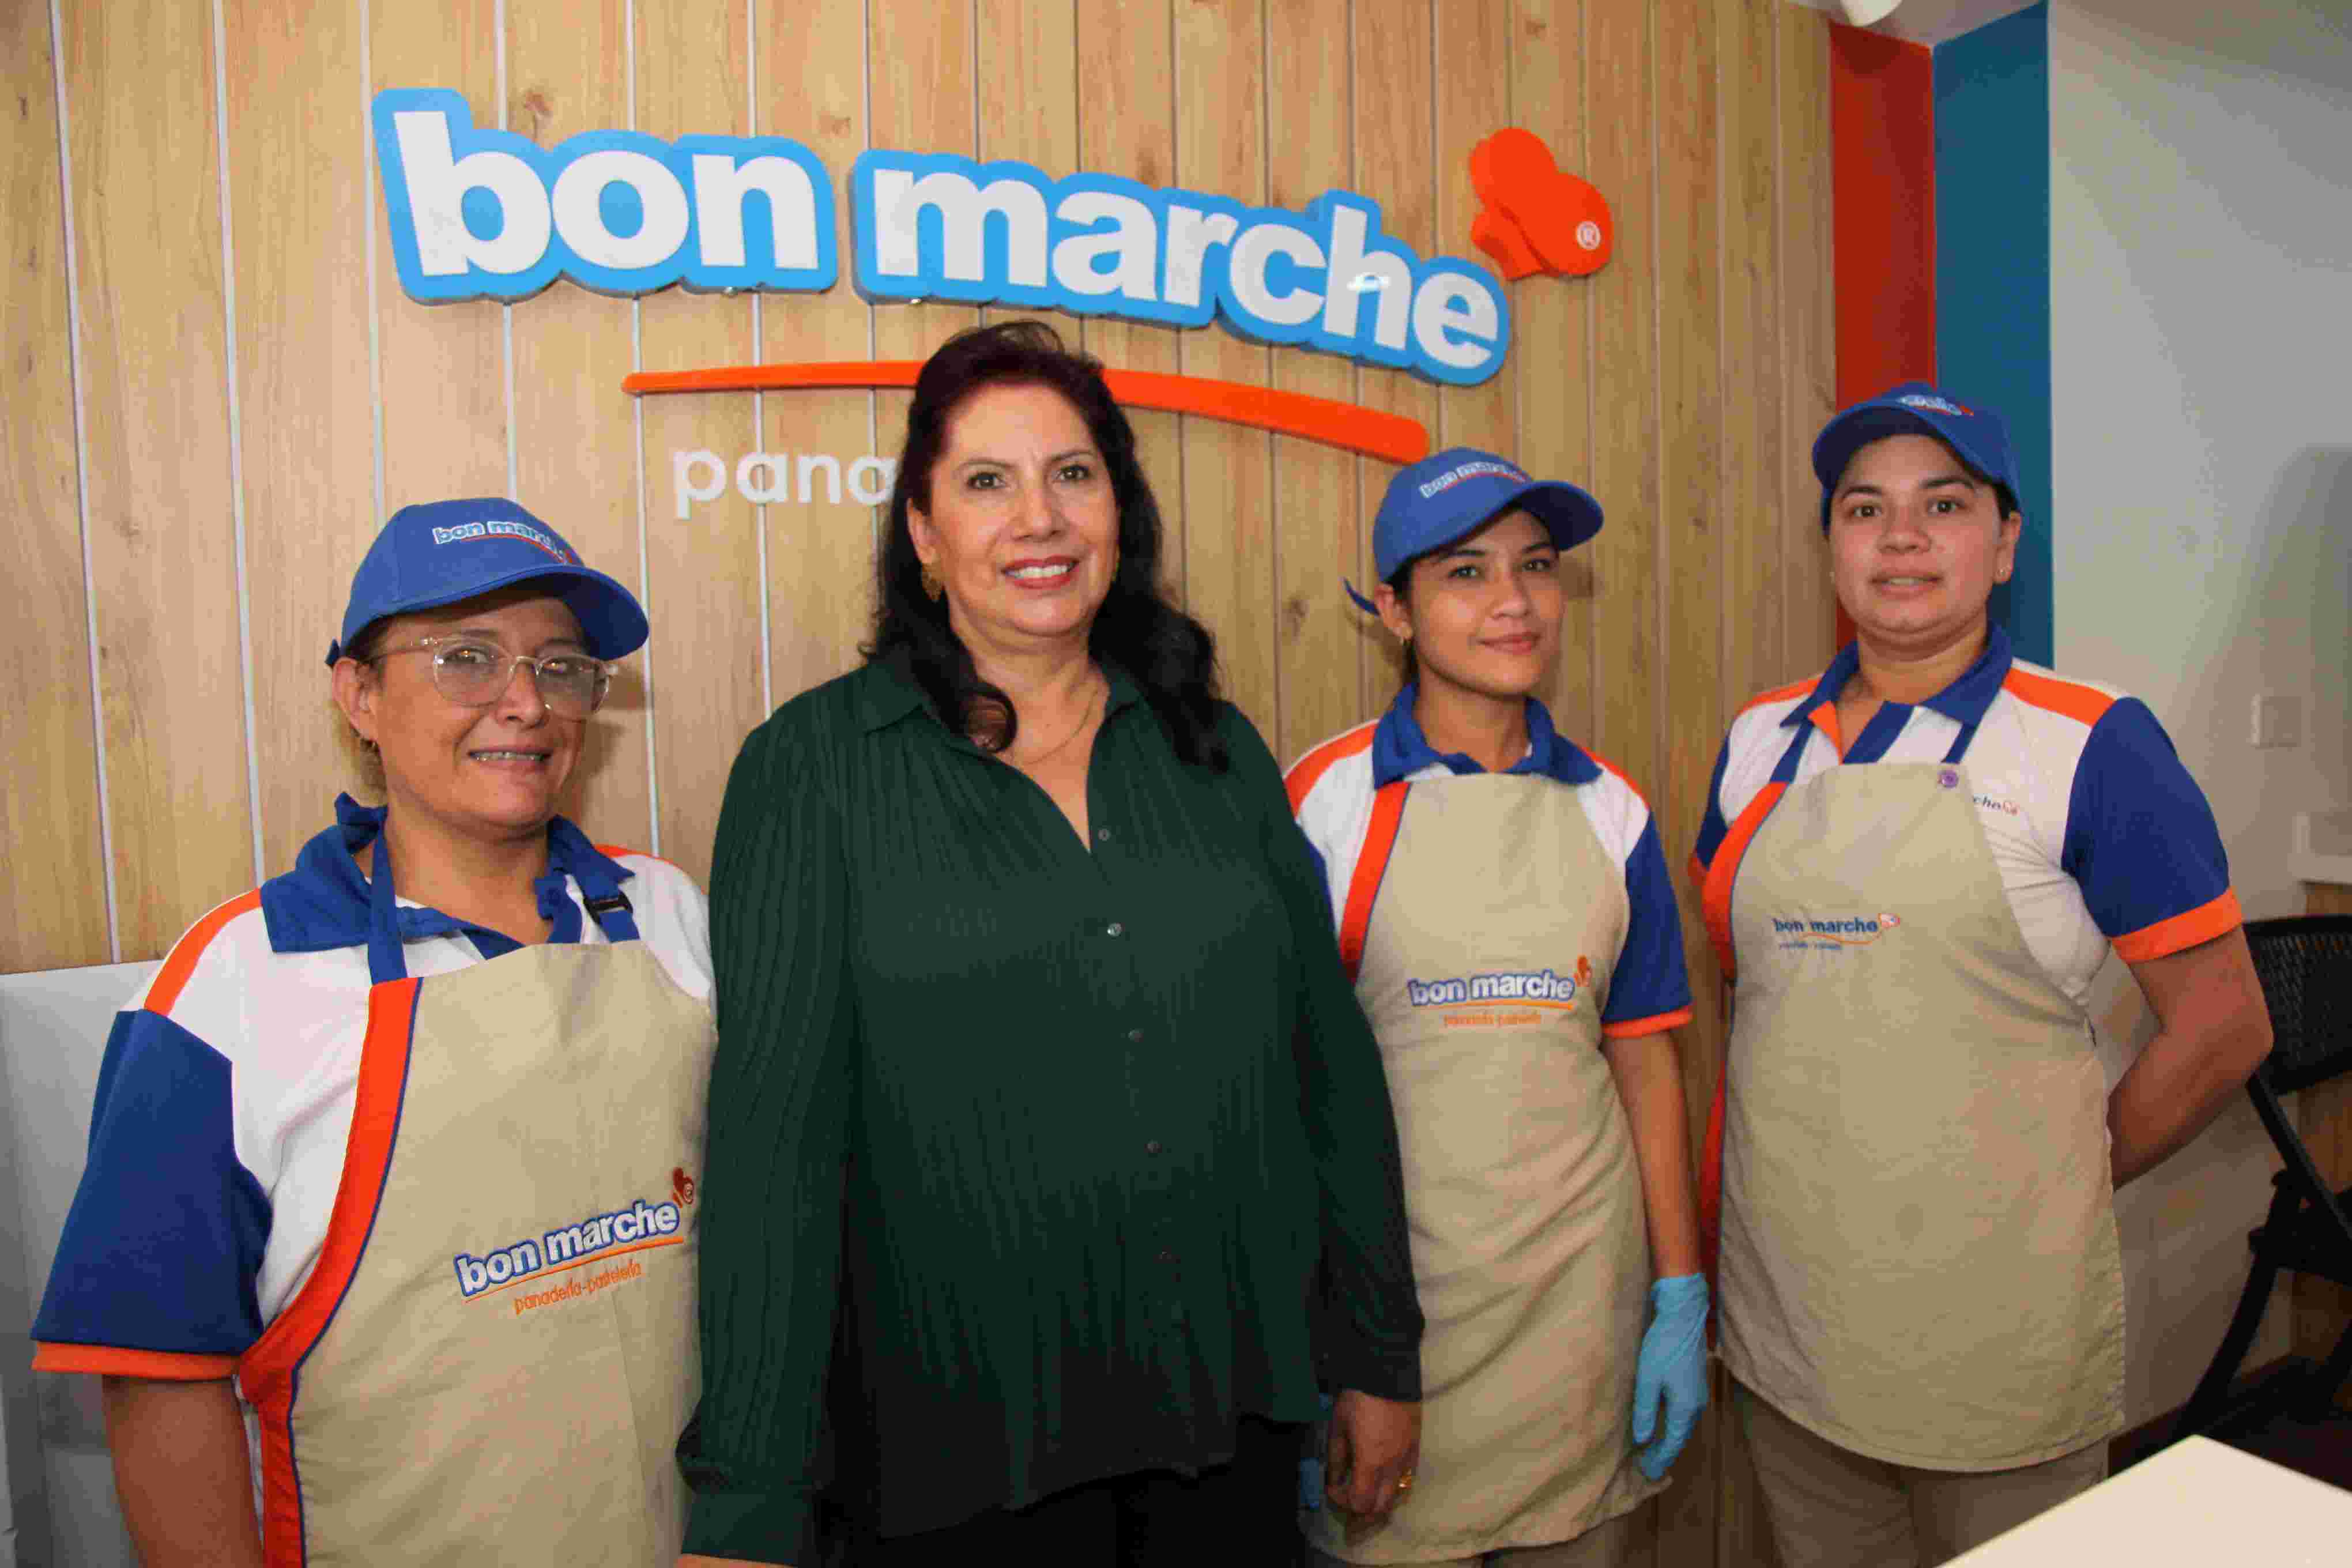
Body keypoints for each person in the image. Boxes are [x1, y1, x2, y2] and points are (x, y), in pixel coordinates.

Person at [675, 321, 1424, 1567]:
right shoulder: (812, 773)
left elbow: (1326, 1067)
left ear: (1118, 510)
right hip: (952, 1476)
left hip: (1227, 1437)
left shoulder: (1213, 749)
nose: (1041, 517)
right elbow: (773, 1158)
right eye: (987, 481)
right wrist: (747, 1498)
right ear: (922, 532)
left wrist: (1379, 1354)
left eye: (1073, 474)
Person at [32, 499, 715, 1564]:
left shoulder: (670, 914)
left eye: (561, 665)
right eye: (465, 660)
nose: (524, 704)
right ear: (358, 693)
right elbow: (158, 1377)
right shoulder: (230, 986)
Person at [1690, 385, 2274, 1567]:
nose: (1901, 537)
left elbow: (2223, 1026)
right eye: (1865, 508)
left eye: (1942, 504)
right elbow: (1756, 992)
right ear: (1831, 548)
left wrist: (2056, 1172)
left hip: (1993, 1336)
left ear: (2004, 544)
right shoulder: (1761, 742)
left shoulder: (2091, 744)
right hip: (1789, 1314)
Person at [1289, 450, 1709, 1567]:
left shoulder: (1611, 810)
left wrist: (1677, 1292)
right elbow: (1276, 1099)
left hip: (1580, 1329)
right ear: (1392, 608)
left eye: (1536, 567)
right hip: (1394, 1344)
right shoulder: (1322, 805)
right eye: (1466, 572)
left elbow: (1645, 1059)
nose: (1514, 601)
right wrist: (1300, 1355)